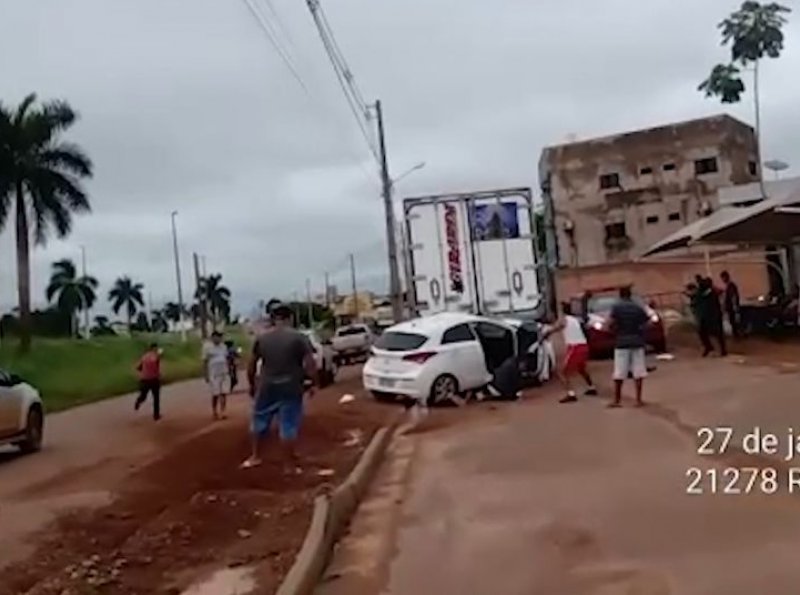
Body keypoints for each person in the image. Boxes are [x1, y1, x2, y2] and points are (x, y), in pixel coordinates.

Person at [243, 303, 317, 470]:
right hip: (291, 386)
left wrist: (251, 385)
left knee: (259, 420)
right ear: (289, 318)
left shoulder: (262, 338)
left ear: (273, 318)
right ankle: (288, 464)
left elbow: (251, 364)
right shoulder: (299, 337)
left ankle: (255, 456)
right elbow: (309, 363)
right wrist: (313, 383)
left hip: (267, 386)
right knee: (288, 424)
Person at [542, 302, 597, 404]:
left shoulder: (564, 319)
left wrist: (545, 334)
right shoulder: (574, 319)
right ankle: (591, 387)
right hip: (584, 346)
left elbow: (556, 328)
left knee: (562, 372)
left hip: (574, 347)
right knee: (581, 369)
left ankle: (570, 393)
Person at [608, 286, 648, 408]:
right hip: (637, 341)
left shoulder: (616, 307)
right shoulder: (637, 307)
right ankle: (638, 400)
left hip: (622, 342)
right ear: (630, 295)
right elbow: (646, 322)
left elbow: (610, 323)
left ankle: (617, 400)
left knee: (619, 372)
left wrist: (614, 331)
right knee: (638, 372)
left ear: (620, 295)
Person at [697, 277, 727, 357]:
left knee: (718, 334)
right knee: (702, 332)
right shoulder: (701, 293)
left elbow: (720, 293)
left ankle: (723, 350)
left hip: (714, 316)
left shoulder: (713, 293)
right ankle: (708, 347)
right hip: (705, 316)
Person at [203, 331, 229, 419]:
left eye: (219, 337)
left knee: (224, 393)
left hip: (224, 372)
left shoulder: (223, 347)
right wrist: (206, 374)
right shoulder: (207, 347)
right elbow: (205, 361)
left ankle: (223, 411)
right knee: (215, 393)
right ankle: (214, 411)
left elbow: (226, 358)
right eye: (216, 337)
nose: (218, 339)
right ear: (212, 338)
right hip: (213, 373)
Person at [135, 343, 162, 420]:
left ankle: (138, 401)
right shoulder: (156, 356)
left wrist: (144, 371)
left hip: (144, 379)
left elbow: (139, 367)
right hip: (154, 379)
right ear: (154, 349)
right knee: (156, 398)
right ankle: (156, 415)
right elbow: (156, 365)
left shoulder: (144, 356)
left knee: (143, 396)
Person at [720, 271, 741, 338]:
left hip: (731, 307)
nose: (722, 280)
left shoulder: (731, 285)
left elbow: (733, 296)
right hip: (730, 307)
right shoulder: (729, 286)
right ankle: (736, 334)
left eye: (723, 278)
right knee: (732, 321)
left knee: (733, 321)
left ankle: (737, 335)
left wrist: (734, 306)